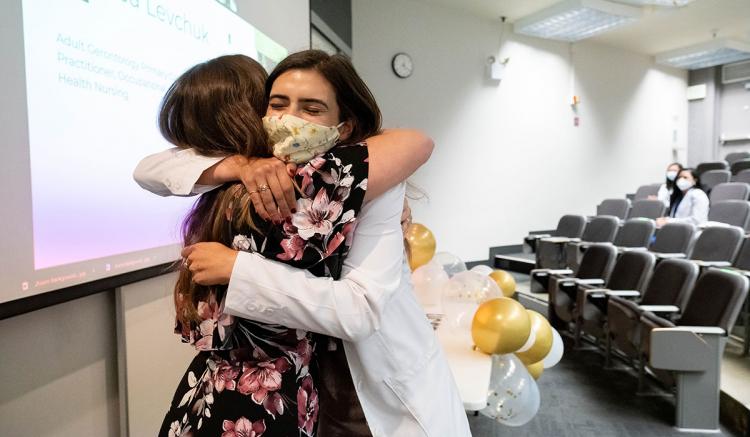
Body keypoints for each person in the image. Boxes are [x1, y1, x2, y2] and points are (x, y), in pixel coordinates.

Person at [138, 51, 470, 436]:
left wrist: (237, 269)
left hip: (367, 383)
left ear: (343, 126)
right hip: (299, 388)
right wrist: (240, 164)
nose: (290, 119)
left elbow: (417, 142)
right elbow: (150, 169)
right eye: (278, 104)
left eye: (311, 108)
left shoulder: (334, 181)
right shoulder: (262, 182)